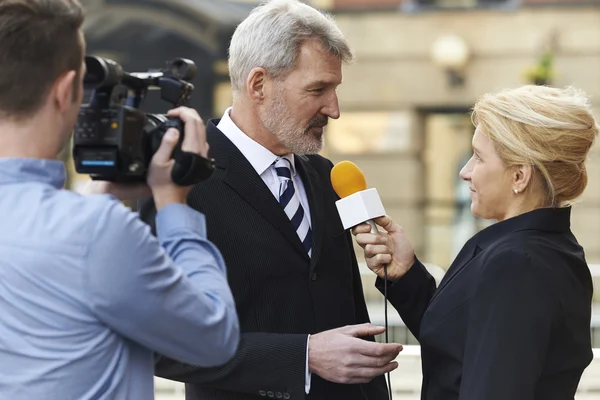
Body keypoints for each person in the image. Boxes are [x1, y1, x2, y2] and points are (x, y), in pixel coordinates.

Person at [139, 0, 402, 399]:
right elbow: (156, 339)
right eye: (318, 89)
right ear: (258, 85)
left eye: (335, 89)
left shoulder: (325, 175)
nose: (334, 109)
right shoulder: (177, 178)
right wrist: (302, 356)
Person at [0, 1, 239, 399]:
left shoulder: (82, 222)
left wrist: (97, 195)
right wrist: (174, 204)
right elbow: (215, 336)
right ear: (64, 92)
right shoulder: (94, 231)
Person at [353, 85, 599, 400]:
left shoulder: (517, 263)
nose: (465, 172)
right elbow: (460, 342)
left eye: (479, 158)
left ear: (519, 177)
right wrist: (406, 274)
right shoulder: (538, 248)